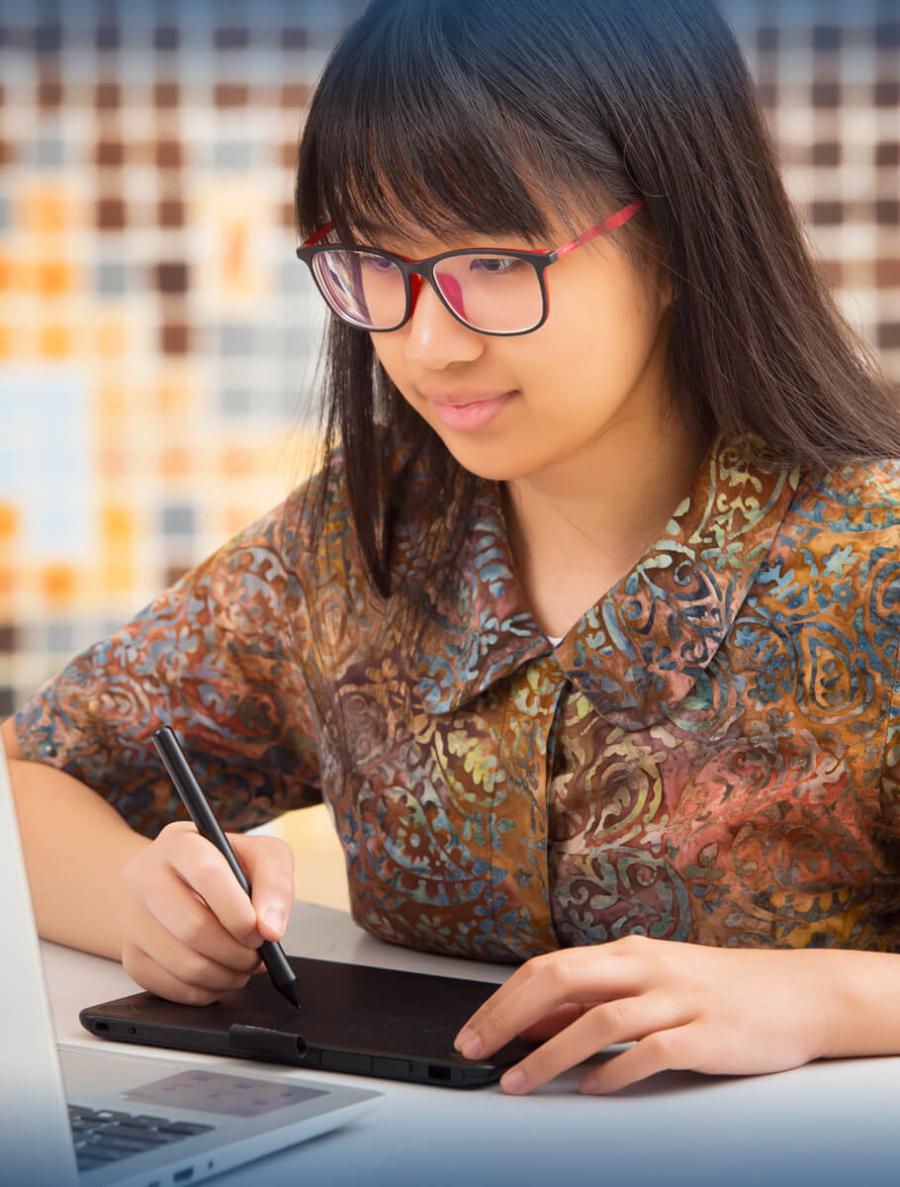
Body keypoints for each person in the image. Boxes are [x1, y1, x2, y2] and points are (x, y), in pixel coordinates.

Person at [4, 0, 900, 1098]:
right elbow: (28, 774)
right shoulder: (356, 543)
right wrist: (144, 897)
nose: (430, 343)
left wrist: (828, 999)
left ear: (674, 246)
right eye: (377, 262)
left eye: (494, 263)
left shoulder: (872, 564)